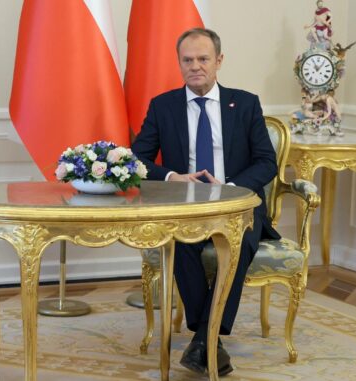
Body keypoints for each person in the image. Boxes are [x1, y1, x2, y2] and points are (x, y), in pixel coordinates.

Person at [132, 28, 280, 376]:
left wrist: (229, 187)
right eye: (188, 60)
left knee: (239, 242)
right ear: (179, 63)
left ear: (219, 61)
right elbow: (135, 161)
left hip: (236, 206)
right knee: (180, 244)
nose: (195, 66)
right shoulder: (163, 105)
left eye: (203, 59)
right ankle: (209, 339)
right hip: (187, 207)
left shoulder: (245, 103)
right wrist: (172, 177)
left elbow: (266, 162)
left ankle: (204, 337)